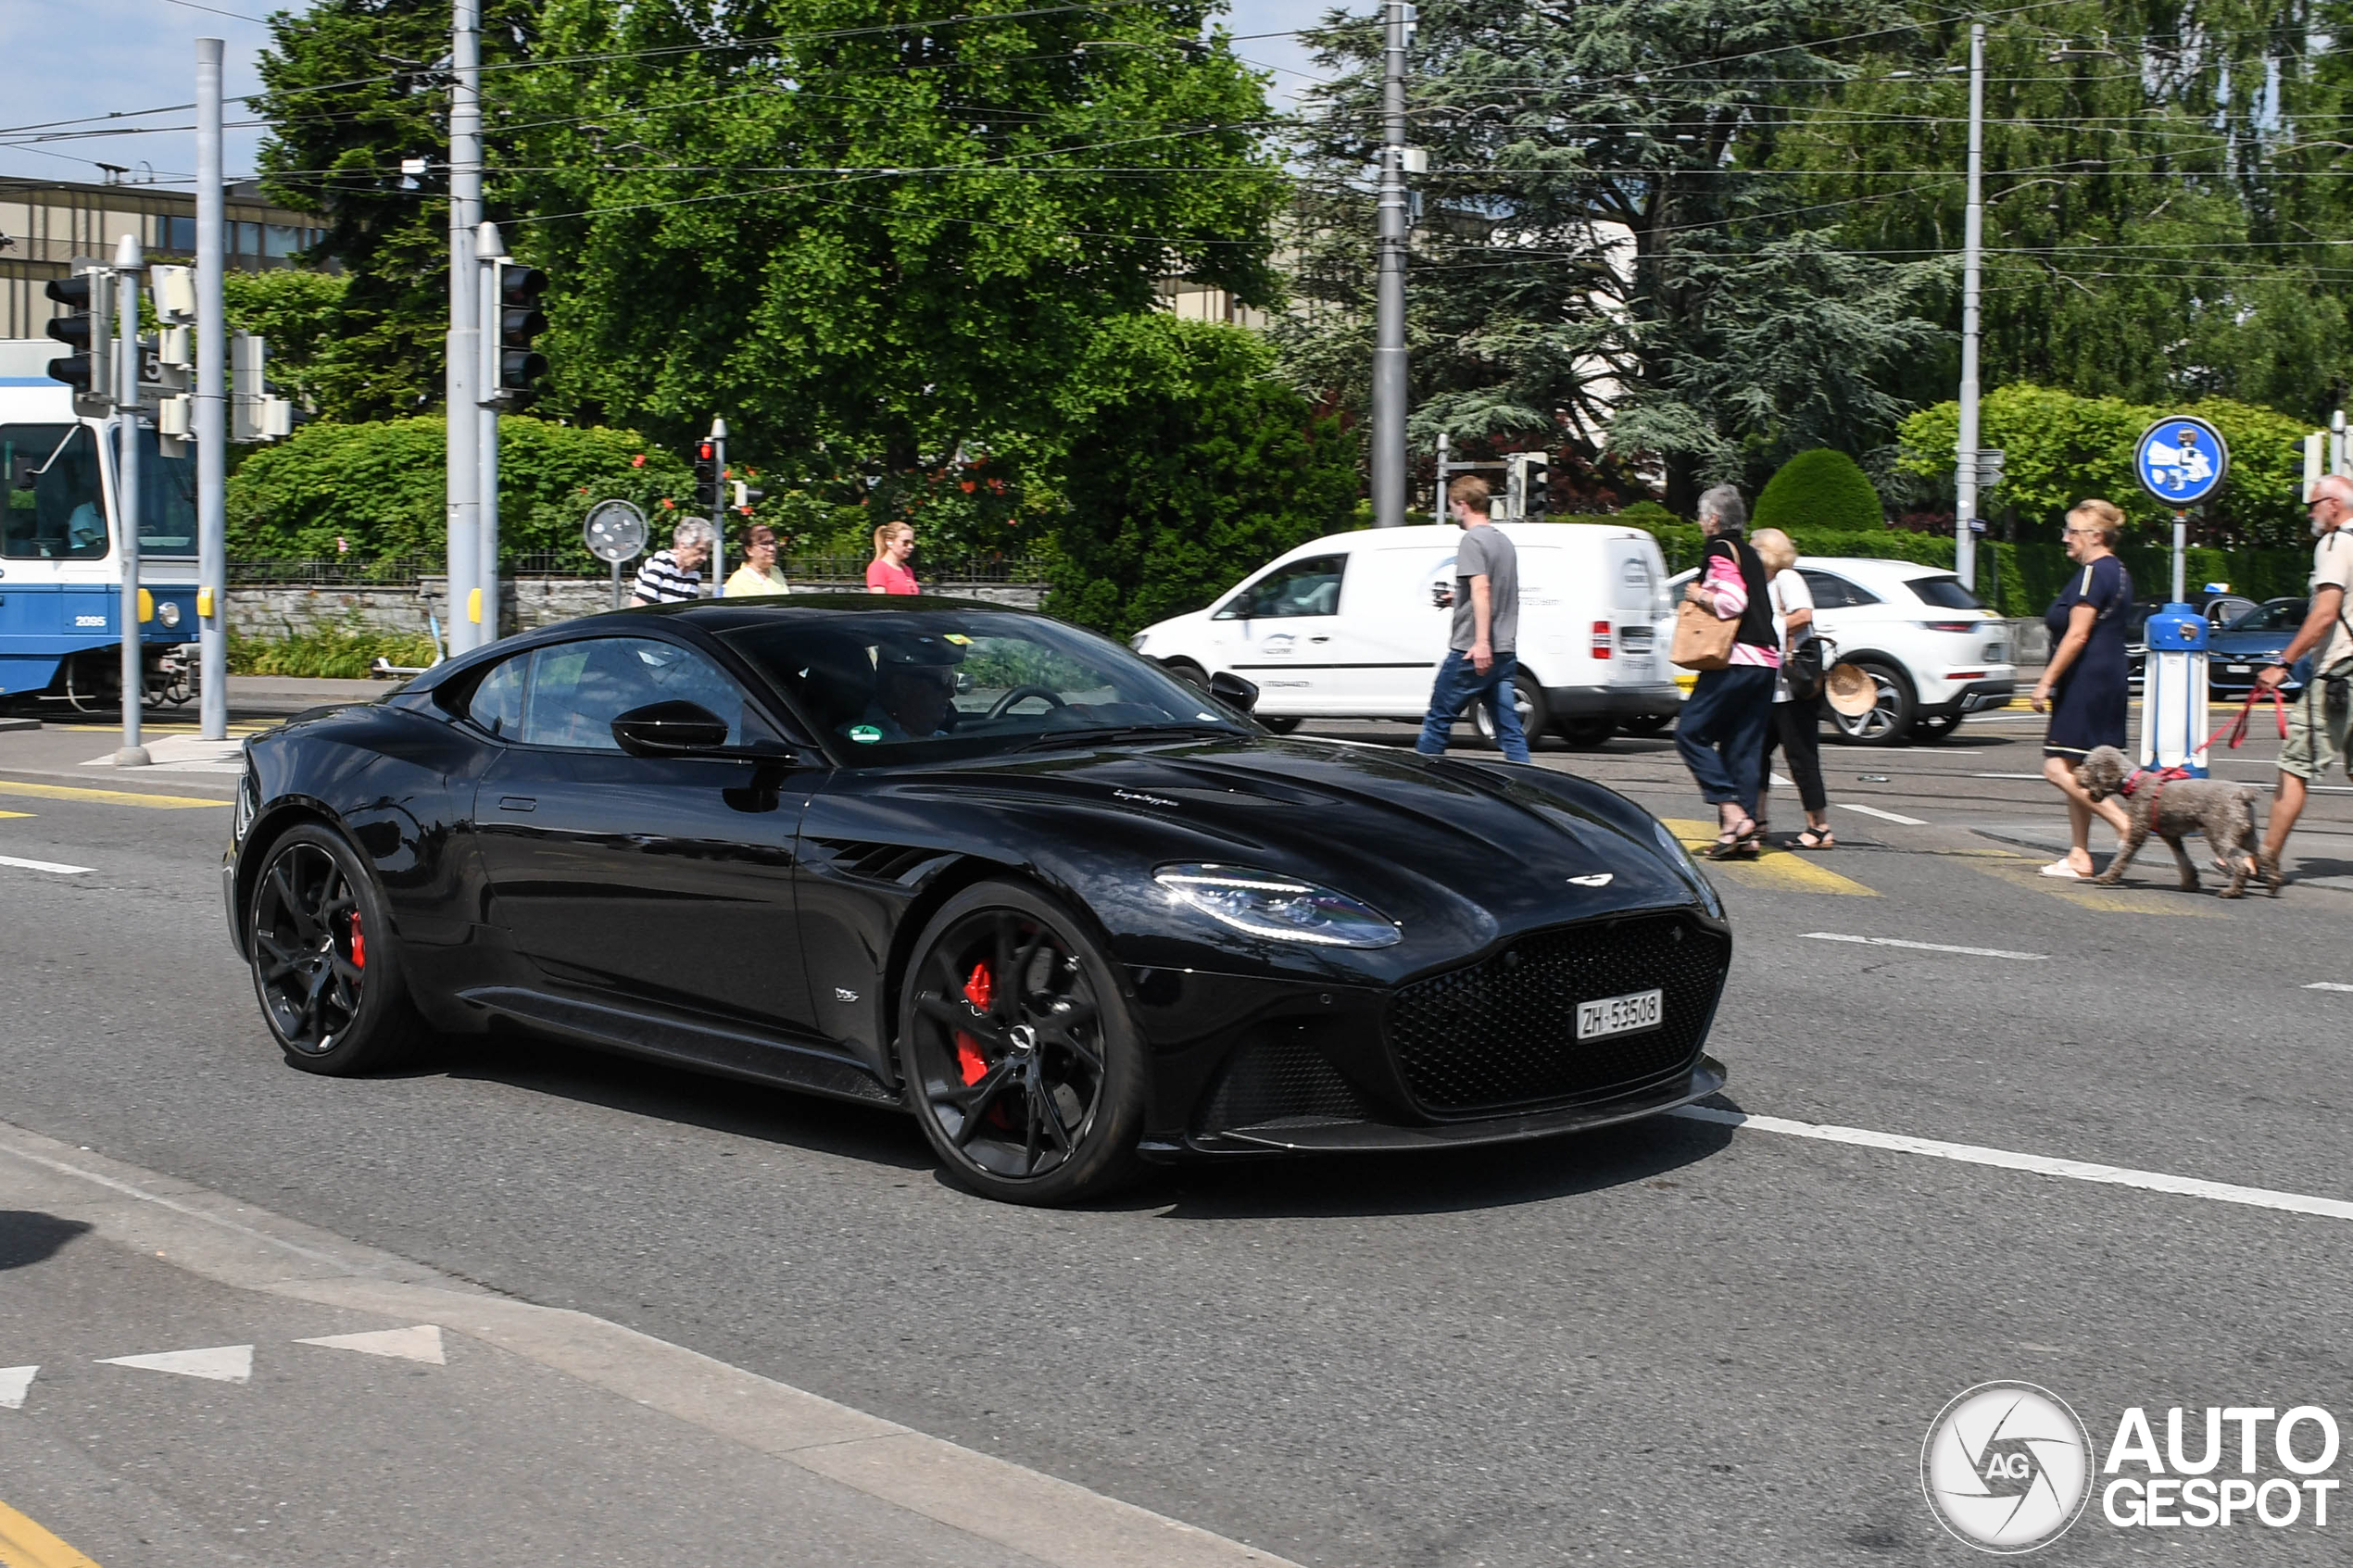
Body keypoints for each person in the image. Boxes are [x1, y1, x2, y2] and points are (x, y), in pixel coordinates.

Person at [2254, 472, 2353, 882]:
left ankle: (2265, 859)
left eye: (2312, 505)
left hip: (2339, 674)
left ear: (2334, 504)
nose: (2310, 513)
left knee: (2296, 764)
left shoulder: (2336, 543)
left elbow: (2325, 612)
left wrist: (2283, 663)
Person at [2029, 498, 2135, 879]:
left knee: (2057, 767)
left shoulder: (2094, 573)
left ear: (2095, 536)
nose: (2065, 539)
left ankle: (2126, 827)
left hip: (2085, 682)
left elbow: (2077, 634)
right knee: (2081, 769)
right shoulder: (2119, 572)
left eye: (2071, 531)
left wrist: (2046, 681)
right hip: (2108, 680)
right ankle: (2080, 855)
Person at [1675, 484, 1780, 859]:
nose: (1700, 523)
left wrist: (1697, 595)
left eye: (1702, 516)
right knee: (1744, 747)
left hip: (1735, 660)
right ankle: (1744, 834)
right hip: (1766, 662)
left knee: (1690, 733)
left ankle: (1732, 810)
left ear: (1713, 519)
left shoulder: (1719, 549)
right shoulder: (1750, 552)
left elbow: (1732, 602)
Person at [1416, 474, 1529, 764]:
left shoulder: (1471, 540)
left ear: (1463, 505)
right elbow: (1492, 590)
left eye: (1452, 505)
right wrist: (1459, 598)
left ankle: (1419, 786)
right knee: (1509, 728)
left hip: (1472, 651)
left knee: (1438, 718)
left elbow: (1482, 588)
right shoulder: (1503, 542)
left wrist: (1480, 643)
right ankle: (1528, 786)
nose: (1452, 511)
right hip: (1504, 652)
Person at [1751, 528, 1833, 850]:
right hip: (1769, 686)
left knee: (1801, 756)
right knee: (1756, 753)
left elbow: (1803, 616)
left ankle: (1820, 827)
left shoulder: (1787, 579)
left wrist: (1767, 626)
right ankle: (1757, 820)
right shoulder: (1765, 583)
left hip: (1792, 685)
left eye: (1755, 549)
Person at [632, 518, 713, 605]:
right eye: (700, 550)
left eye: (707, 552)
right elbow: (639, 605)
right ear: (683, 545)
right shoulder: (662, 562)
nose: (705, 558)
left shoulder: (694, 574)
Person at [724, 523, 791, 597]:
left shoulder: (776, 571)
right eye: (764, 544)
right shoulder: (739, 580)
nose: (772, 549)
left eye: (772, 543)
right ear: (749, 550)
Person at [866, 522, 919, 595]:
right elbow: (878, 601)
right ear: (889, 542)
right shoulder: (878, 568)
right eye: (905, 542)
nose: (911, 547)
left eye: (912, 543)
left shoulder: (907, 570)